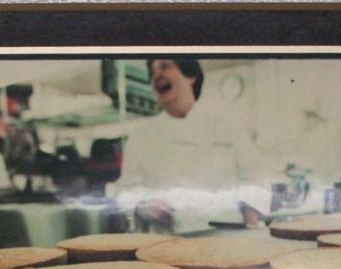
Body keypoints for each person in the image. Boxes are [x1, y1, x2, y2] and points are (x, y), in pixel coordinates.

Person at [110, 58, 272, 233]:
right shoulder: (140, 138)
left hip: (226, 239)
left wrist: (250, 220)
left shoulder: (226, 126)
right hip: (166, 244)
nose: (157, 75)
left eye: (164, 66)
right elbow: (125, 192)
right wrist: (143, 206)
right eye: (152, 72)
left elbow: (256, 177)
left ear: (190, 77)